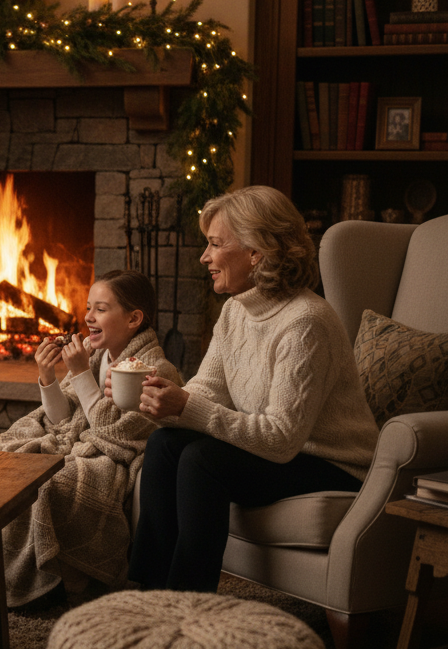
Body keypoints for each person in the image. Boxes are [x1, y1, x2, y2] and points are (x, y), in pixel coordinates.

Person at [128, 185, 379, 592]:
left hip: (332, 464)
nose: (204, 257)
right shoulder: (235, 311)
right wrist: (150, 396)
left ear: (256, 253)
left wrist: (186, 406)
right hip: (284, 454)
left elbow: (281, 439)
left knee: (201, 459)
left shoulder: (306, 322)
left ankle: (187, 602)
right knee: (166, 445)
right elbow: (204, 391)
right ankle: (149, 590)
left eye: (214, 244)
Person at [0, 269, 181, 609]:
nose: (88, 317)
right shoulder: (95, 353)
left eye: (100, 309)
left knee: (48, 484)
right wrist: (48, 377)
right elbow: (64, 419)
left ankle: (49, 581)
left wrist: (79, 372)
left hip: (113, 458)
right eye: (88, 307)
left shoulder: (155, 370)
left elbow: (114, 433)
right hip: (81, 442)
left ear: (134, 318)